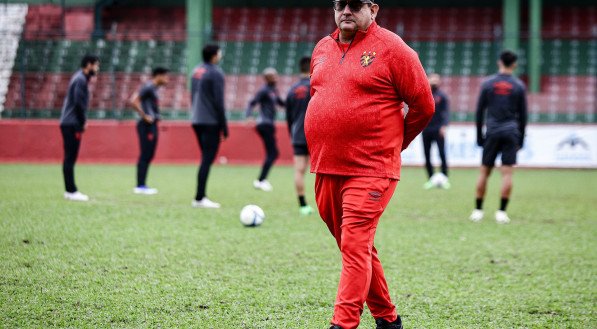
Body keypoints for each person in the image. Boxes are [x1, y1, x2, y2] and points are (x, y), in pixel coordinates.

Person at [305, 1, 435, 328]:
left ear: (373, 9)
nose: (346, 10)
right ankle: (389, 321)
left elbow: (424, 105)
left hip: (371, 169)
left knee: (353, 244)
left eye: (355, 4)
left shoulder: (394, 49)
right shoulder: (322, 47)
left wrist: (394, 144)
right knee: (357, 248)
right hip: (326, 167)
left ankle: (343, 323)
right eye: (339, 4)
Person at [470, 50, 527, 224]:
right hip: (511, 132)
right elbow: (523, 116)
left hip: (492, 132)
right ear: (514, 64)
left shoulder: (488, 84)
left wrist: (479, 135)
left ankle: (478, 210)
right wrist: (521, 139)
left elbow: (479, 112)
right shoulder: (518, 86)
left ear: (499, 62)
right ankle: (501, 212)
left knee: (484, 171)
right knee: (507, 173)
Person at [190, 44, 228, 209]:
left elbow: (193, 95)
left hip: (196, 120)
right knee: (207, 159)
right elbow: (218, 101)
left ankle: (200, 196)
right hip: (210, 121)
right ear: (214, 55)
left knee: (205, 158)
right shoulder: (215, 72)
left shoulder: (196, 71)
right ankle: (200, 198)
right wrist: (224, 125)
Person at [59, 54, 100, 202]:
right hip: (71, 123)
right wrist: (83, 121)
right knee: (70, 157)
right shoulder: (80, 79)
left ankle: (70, 190)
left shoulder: (79, 78)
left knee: (70, 157)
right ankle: (71, 191)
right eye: (96, 65)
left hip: (69, 122)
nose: (97, 68)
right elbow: (78, 103)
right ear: (88, 65)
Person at [129, 67, 170, 195]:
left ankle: (142, 184)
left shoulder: (154, 89)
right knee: (145, 154)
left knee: (149, 154)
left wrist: (156, 115)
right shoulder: (148, 87)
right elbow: (133, 101)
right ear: (158, 76)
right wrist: (145, 116)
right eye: (165, 76)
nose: (167, 79)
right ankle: (140, 185)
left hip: (152, 125)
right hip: (146, 126)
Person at [245, 67, 285, 192]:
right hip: (264, 124)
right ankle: (261, 180)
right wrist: (249, 116)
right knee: (273, 153)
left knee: (272, 153)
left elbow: (282, 103)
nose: (276, 78)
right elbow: (252, 103)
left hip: (269, 124)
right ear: (267, 78)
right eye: (273, 76)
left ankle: (261, 180)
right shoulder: (263, 90)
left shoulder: (274, 90)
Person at [285, 56, 314, 216]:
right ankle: (327, 203)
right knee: (324, 170)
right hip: (315, 134)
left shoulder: (292, 89)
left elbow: (288, 117)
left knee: (299, 170)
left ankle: (303, 205)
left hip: (297, 134)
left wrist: (292, 133)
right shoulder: (315, 86)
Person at [422, 73, 450, 189]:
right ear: (427, 79)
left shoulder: (442, 96)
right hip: (426, 129)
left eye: (436, 79)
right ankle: (430, 179)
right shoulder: (424, 94)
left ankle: (445, 178)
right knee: (427, 155)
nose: (434, 81)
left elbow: (446, 113)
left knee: (442, 154)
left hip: (438, 129)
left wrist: (444, 126)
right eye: (432, 78)